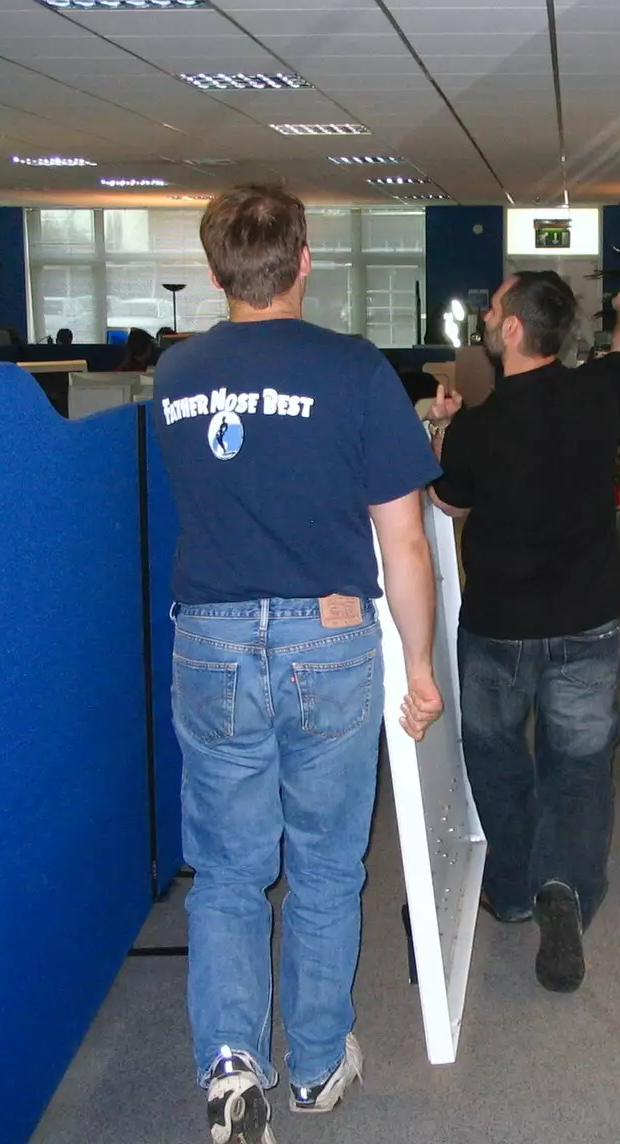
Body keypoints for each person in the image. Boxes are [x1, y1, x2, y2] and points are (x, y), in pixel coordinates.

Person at [153, 184, 444, 1144]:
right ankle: (317, 1066)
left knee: (229, 871)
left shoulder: (176, 375)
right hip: (327, 639)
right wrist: (420, 664)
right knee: (324, 864)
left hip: (212, 640)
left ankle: (232, 1065)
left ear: (214, 270)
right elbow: (404, 544)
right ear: (305, 260)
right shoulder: (356, 371)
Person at [426, 270, 620, 994]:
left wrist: (441, 430)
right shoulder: (598, 395)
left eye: (493, 309)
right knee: (579, 764)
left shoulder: (481, 427)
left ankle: (517, 890)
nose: (487, 317)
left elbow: (448, 506)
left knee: (494, 753)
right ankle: (564, 890)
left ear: (515, 329)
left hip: (499, 627)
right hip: (587, 621)